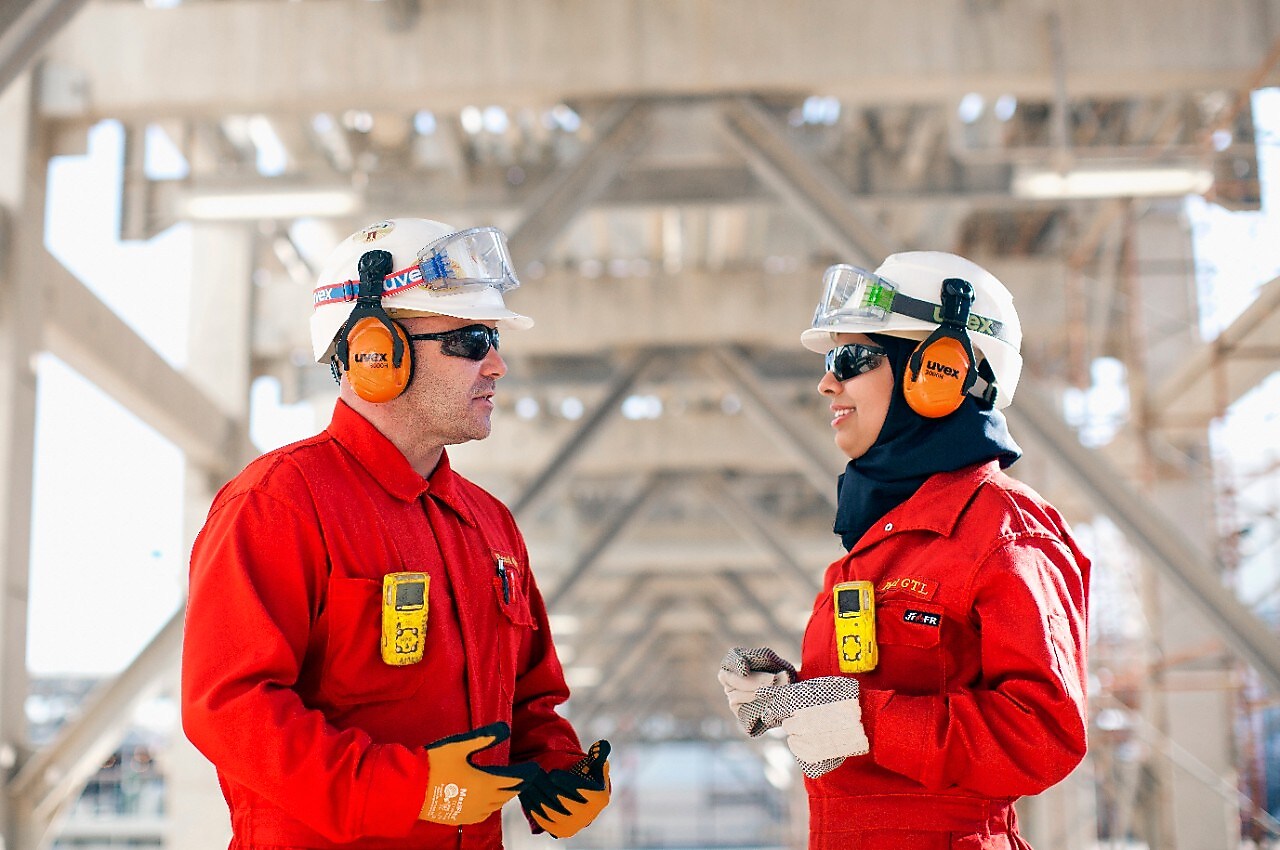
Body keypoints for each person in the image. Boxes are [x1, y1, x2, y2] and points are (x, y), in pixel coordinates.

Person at [182, 218, 611, 850]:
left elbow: (530, 696)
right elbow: (228, 707)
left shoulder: (490, 524)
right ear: (375, 352)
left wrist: (555, 766)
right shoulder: (278, 505)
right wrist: (408, 790)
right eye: (472, 340)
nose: (497, 364)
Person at [718, 252, 1090, 849]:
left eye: (853, 358)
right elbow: (874, 699)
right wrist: (791, 697)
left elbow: (1043, 736)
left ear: (939, 371)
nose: (826, 382)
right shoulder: (877, 547)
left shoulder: (1003, 530)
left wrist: (862, 718)